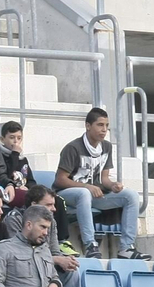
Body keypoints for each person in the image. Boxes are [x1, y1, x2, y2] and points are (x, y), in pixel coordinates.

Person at [54, 108, 140, 259]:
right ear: (88, 126)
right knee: (84, 193)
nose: (104, 129)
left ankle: (126, 248)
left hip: (94, 194)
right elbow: (60, 180)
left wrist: (113, 186)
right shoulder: (73, 148)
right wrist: (87, 186)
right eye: (100, 125)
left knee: (131, 195)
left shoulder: (106, 147)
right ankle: (90, 245)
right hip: (68, 193)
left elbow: (104, 178)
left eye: (106, 126)